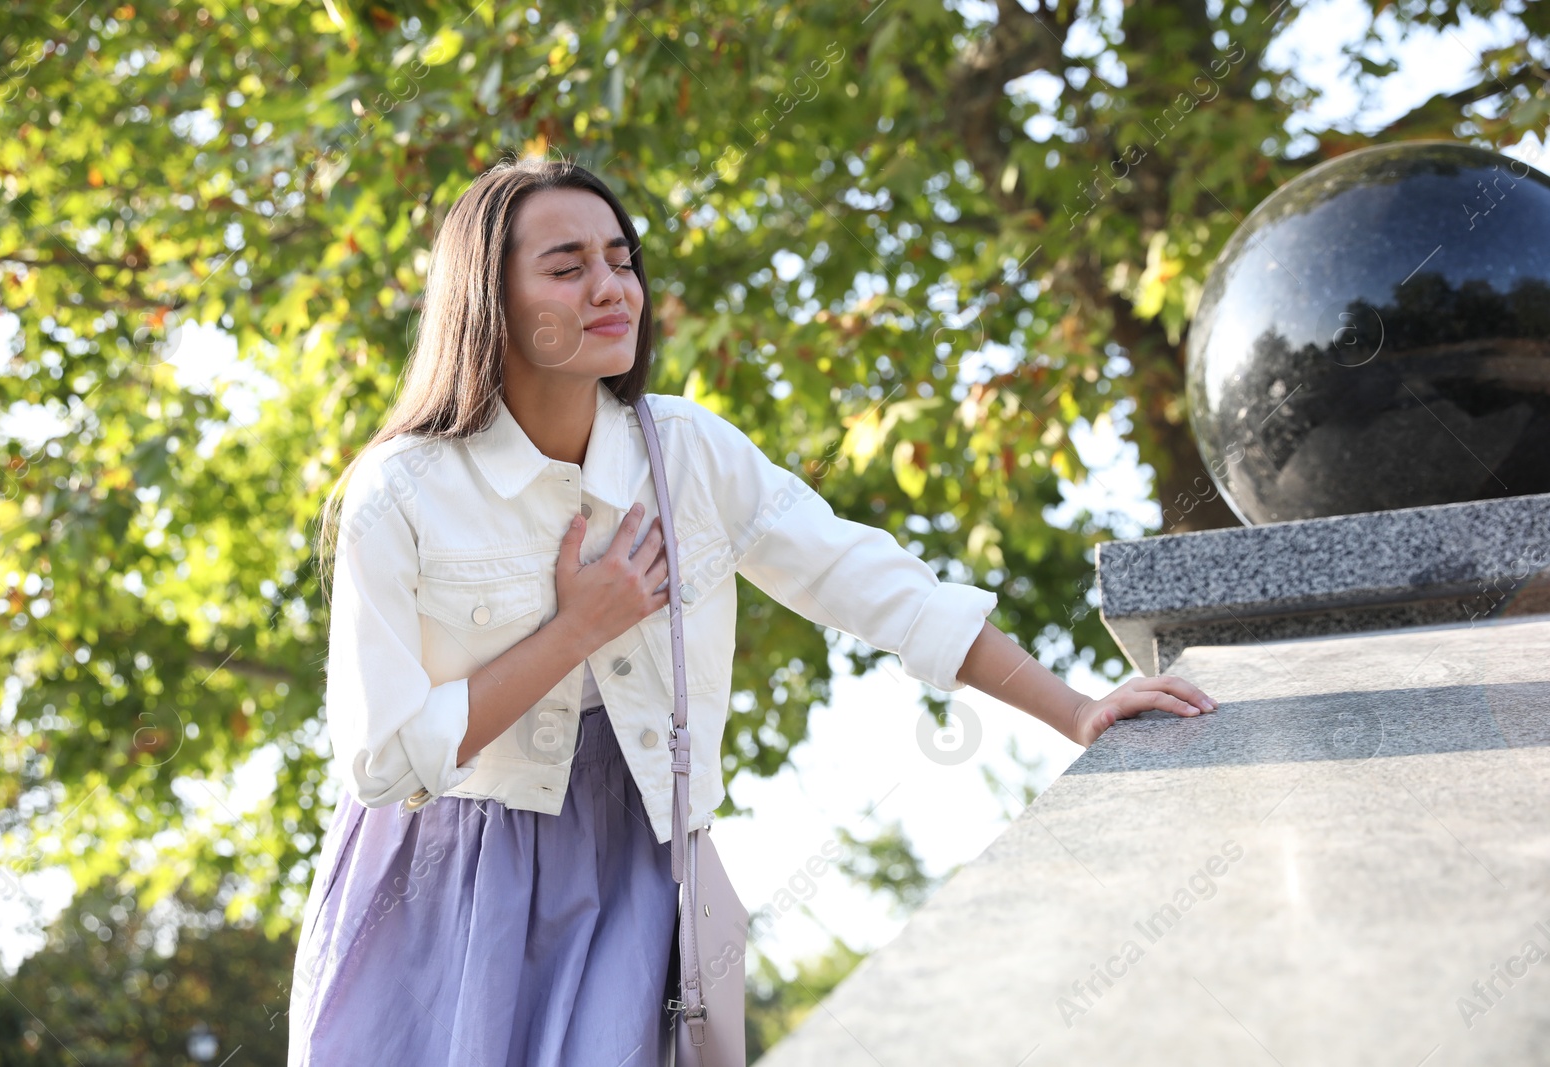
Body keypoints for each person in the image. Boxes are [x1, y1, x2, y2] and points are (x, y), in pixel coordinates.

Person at [286, 155, 1217, 1066]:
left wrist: (1080, 710)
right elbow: (381, 757)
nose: (611, 287)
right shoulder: (399, 492)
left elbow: (868, 581)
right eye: (567, 267)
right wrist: (575, 631)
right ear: (487, 300)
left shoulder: (687, 453)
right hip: (447, 877)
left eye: (621, 259)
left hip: (637, 858)